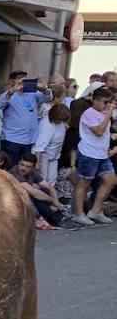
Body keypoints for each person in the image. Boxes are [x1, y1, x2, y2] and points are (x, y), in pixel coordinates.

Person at [71, 86, 117, 226]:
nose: (108, 105)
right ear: (95, 100)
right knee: (83, 184)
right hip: (88, 154)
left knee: (111, 180)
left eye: (110, 102)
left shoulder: (103, 112)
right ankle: (78, 214)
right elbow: (98, 131)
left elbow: (104, 133)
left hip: (102, 155)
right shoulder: (89, 114)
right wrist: (108, 116)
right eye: (105, 102)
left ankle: (95, 210)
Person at [0, 70, 42, 166]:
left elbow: (49, 98)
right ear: (12, 81)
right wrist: (12, 91)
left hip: (28, 140)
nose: (22, 80)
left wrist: (44, 88)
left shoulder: (33, 94)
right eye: (19, 78)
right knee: (10, 169)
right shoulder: (7, 95)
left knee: (24, 170)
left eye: (24, 78)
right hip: (11, 140)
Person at [8, 153, 65, 231]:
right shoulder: (14, 172)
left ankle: (56, 217)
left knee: (45, 190)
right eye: (22, 164)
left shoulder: (32, 173)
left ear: (33, 168)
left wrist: (55, 204)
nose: (23, 168)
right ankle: (57, 219)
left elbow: (50, 187)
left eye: (28, 166)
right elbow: (34, 193)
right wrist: (55, 202)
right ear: (18, 163)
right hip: (16, 203)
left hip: (30, 203)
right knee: (34, 195)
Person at [33, 101, 69, 186]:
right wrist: (37, 163)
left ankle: (47, 196)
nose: (61, 121)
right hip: (43, 155)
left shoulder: (61, 124)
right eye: (60, 119)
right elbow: (39, 146)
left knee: (52, 178)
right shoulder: (47, 126)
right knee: (42, 179)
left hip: (54, 155)